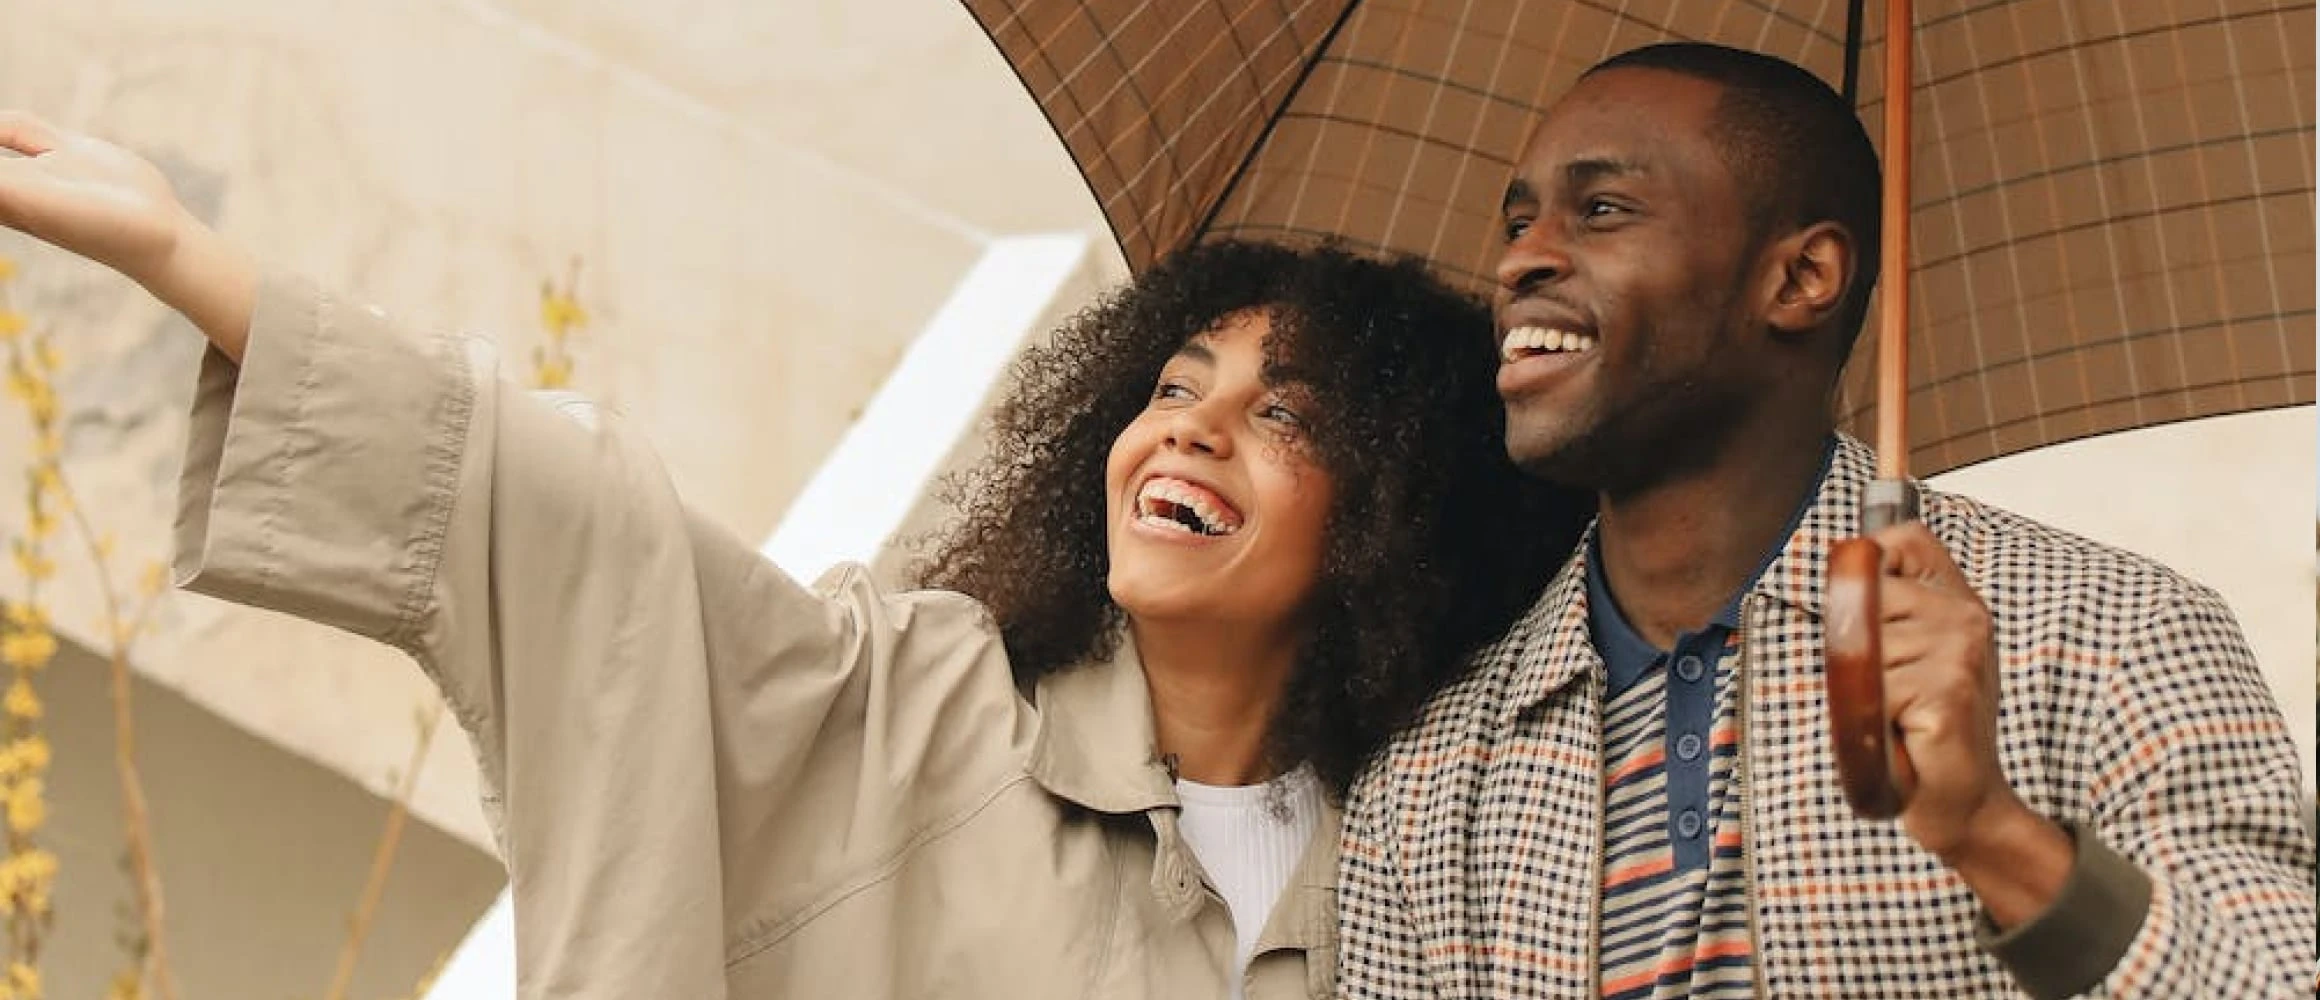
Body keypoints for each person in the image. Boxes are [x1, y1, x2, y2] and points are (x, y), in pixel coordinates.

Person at [0, 113, 1587, 998]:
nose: (1190, 429)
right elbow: (593, 533)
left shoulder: (1431, 853)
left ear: (1392, 508)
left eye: (1281, 414)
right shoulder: (903, 703)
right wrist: (183, 256)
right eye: (1173, 387)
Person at [1337, 42, 2317, 1000]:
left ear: (1801, 278)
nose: (1521, 261)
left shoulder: (2115, 637)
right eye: (1517, 222)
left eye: (1600, 210)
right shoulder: (1423, 779)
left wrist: (1994, 834)